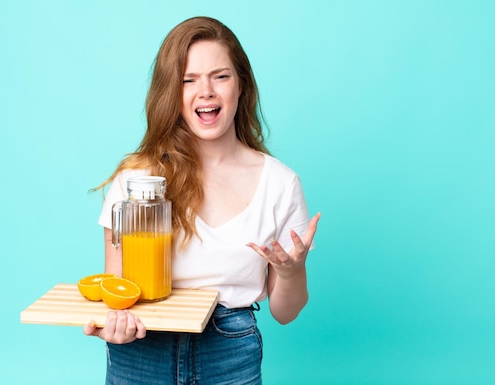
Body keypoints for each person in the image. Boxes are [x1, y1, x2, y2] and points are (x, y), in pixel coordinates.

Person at [84, 16, 320, 385]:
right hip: (142, 351)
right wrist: (114, 324)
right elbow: (118, 291)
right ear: (171, 94)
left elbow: (286, 312)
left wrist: (291, 272)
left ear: (241, 86)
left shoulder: (280, 183)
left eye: (220, 76)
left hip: (229, 352)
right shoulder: (136, 182)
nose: (206, 91)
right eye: (187, 80)